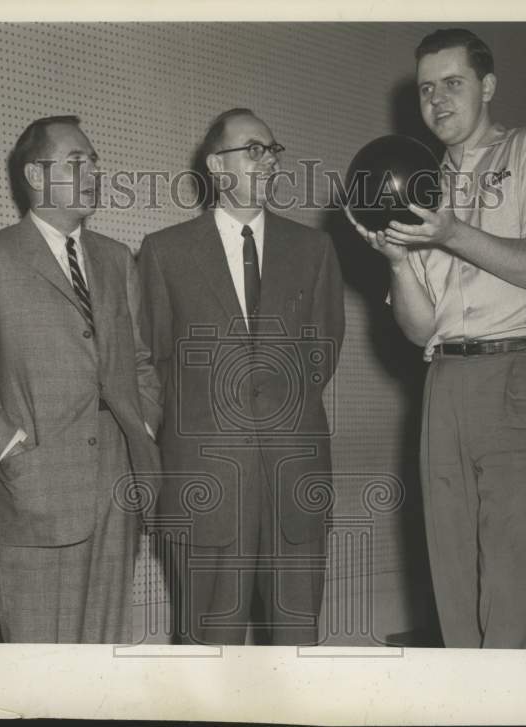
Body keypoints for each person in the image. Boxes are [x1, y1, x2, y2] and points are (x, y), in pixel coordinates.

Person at [350, 28, 526, 648]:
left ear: (486, 87)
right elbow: (420, 327)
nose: (438, 100)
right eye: (427, 89)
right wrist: (398, 260)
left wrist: (451, 234)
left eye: (453, 83)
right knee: (456, 597)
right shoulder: (419, 183)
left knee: (516, 599)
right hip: (447, 383)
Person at [139, 108, 345, 645]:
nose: (267, 161)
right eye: (252, 149)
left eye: (272, 150)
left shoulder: (314, 250)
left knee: (297, 647)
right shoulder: (165, 254)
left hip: (295, 479)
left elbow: (322, 356)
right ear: (215, 165)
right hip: (207, 485)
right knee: (211, 652)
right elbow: (153, 366)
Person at [0, 116, 162, 644]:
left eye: (94, 161)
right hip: (34, 488)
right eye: (77, 161)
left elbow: (140, 362)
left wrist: (144, 428)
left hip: (119, 485)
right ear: (35, 174)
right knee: (38, 661)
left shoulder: (117, 259)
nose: (93, 170)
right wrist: (10, 449)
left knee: (106, 653)